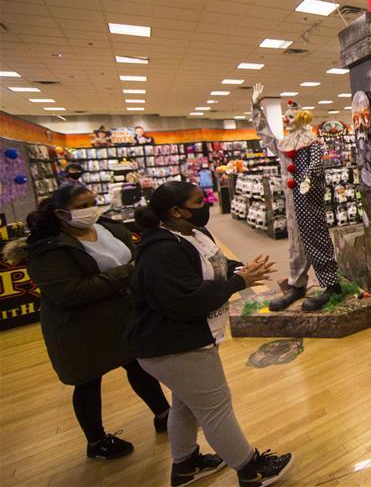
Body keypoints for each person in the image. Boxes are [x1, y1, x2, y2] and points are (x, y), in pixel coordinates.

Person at [127, 181, 293, 487]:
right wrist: (238, 283)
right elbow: (188, 300)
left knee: (186, 404)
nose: (206, 204)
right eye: (197, 201)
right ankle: (249, 469)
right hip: (173, 345)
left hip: (184, 340)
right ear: (176, 212)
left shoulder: (195, 234)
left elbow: (217, 265)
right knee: (216, 408)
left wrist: (244, 269)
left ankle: (186, 464)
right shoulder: (160, 252)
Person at [1, 185, 170, 460]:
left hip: (123, 317)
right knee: (88, 381)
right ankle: (97, 441)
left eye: (93, 201)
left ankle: (164, 413)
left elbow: (134, 255)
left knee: (138, 366)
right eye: (82, 205)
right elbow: (68, 292)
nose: (91, 208)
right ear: (61, 212)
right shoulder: (48, 247)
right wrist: (126, 274)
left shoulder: (107, 228)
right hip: (79, 327)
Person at [251, 84, 341, 311]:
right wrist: (255, 107)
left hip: (309, 198)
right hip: (292, 200)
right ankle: (297, 284)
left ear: (301, 118)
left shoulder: (312, 142)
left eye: (290, 116)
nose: (286, 119)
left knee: (316, 238)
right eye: (285, 116)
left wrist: (309, 178)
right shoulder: (284, 144)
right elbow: (265, 134)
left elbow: (316, 164)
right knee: (295, 243)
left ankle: (331, 284)